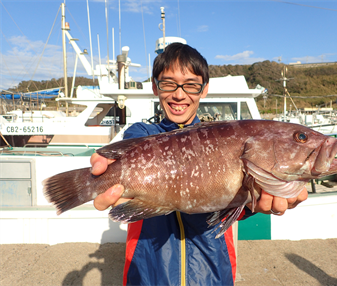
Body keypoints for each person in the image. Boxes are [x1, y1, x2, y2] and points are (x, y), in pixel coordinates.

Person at [90, 43, 308, 286]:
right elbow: (124, 158)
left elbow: (225, 209)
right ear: (155, 87)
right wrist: (104, 174)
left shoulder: (223, 137)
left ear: (204, 90)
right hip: (149, 274)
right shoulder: (142, 132)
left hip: (212, 274)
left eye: (191, 85)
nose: (179, 94)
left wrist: (251, 204)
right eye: (168, 83)